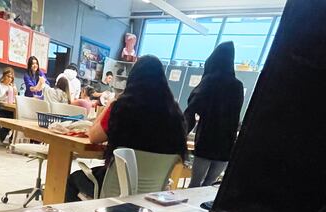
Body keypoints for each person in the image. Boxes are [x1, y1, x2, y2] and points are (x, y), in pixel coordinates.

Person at [65, 55, 187, 201]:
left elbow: (93, 136)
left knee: (74, 180)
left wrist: (111, 104)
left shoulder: (123, 106)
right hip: (152, 195)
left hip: (116, 188)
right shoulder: (175, 114)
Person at [184, 42, 244, 188]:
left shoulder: (209, 81)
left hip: (207, 141)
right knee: (208, 185)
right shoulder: (237, 85)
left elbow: (192, 108)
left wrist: (182, 134)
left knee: (194, 185)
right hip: (227, 145)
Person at [0, 67, 16, 143]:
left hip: (8, 109)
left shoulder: (11, 87)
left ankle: (2, 137)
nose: (9, 79)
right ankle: (0, 137)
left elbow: (12, 101)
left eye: (11, 77)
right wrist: (5, 94)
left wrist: (15, 95)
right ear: (3, 76)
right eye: (8, 76)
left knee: (14, 117)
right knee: (11, 118)